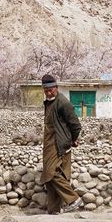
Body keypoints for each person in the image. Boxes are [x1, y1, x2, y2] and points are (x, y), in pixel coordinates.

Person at [40, 73, 84, 214]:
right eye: (46, 90)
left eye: (51, 90)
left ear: (56, 88)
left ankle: (73, 199)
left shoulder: (63, 103)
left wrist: (72, 140)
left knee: (51, 173)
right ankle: (54, 210)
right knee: (50, 178)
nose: (48, 92)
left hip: (58, 144)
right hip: (49, 143)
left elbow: (76, 125)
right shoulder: (49, 102)